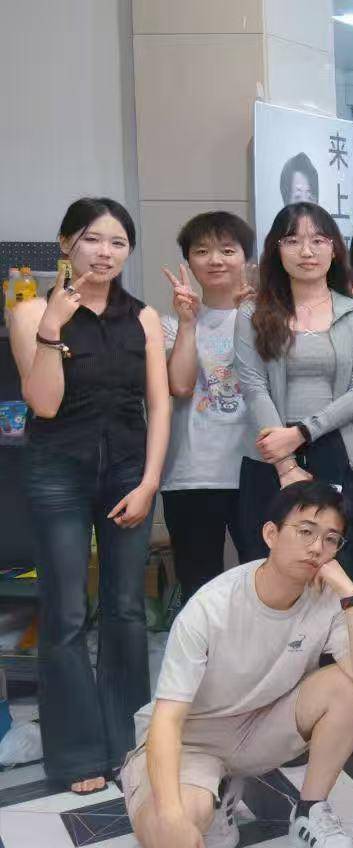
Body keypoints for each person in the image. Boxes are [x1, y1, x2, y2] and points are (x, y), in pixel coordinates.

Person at [123, 481, 353, 848]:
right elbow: (167, 720)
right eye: (306, 532)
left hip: (261, 727)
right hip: (193, 739)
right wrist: (172, 816)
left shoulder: (328, 597)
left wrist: (350, 596)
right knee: (168, 833)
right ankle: (213, 795)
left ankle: (310, 811)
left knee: (350, 686)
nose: (317, 548)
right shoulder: (212, 607)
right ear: (270, 534)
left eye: (331, 539)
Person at [8, 197, 171, 794]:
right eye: (93, 240)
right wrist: (52, 326)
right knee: (67, 612)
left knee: (126, 608)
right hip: (58, 472)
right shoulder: (30, 313)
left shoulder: (143, 318)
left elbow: (159, 405)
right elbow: (44, 404)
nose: (105, 253)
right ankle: (77, 754)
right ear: (66, 244)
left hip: (129, 471)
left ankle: (128, 740)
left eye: (117, 242)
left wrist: (149, 482)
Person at [234, 202, 353, 591]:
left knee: (339, 571)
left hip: (340, 453)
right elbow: (254, 385)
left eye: (318, 239)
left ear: (334, 249)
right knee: (270, 573)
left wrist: (300, 432)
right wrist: (285, 463)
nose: (307, 251)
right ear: (276, 250)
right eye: (293, 240)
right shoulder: (252, 312)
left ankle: (341, 637)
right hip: (269, 453)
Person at [159, 211, 255, 602]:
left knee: (265, 583)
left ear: (246, 258)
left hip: (256, 472)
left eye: (227, 250)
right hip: (192, 474)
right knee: (199, 590)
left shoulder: (269, 320)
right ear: (188, 260)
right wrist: (187, 323)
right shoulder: (169, 324)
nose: (215, 260)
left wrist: (255, 317)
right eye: (202, 251)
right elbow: (181, 386)